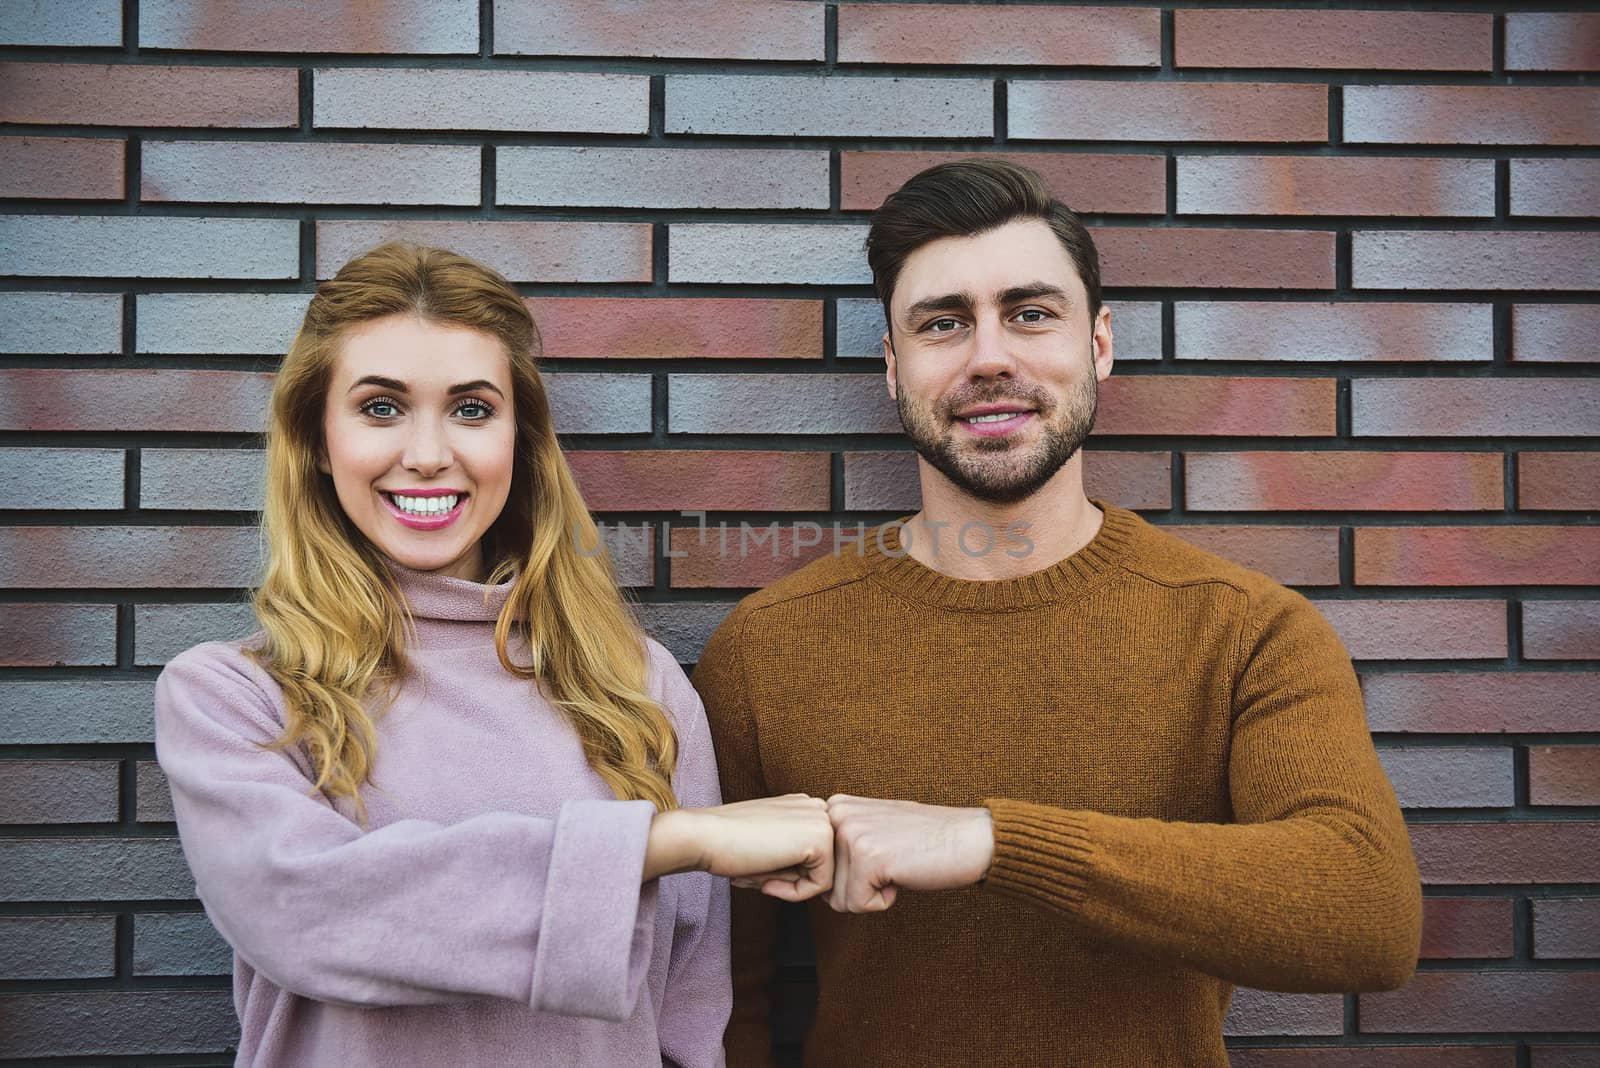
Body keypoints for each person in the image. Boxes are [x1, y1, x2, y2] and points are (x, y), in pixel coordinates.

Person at [694, 159, 1423, 1067]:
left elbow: (1368, 914)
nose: (990, 356)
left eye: (1031, 314)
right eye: (943, 323)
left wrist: (997, 841)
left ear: (1100, 345)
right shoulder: (767, 650)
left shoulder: (1244, 632)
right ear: (892, 365)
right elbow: (719, 1001)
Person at [153, 243, 834, 1067]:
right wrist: (666, 844)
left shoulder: (636, 683)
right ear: (318, 443)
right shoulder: (234, 695)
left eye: (472, 409)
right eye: (381, 408)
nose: (431, 453)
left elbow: (690, 1015)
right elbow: (306, 910)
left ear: (520, 441)